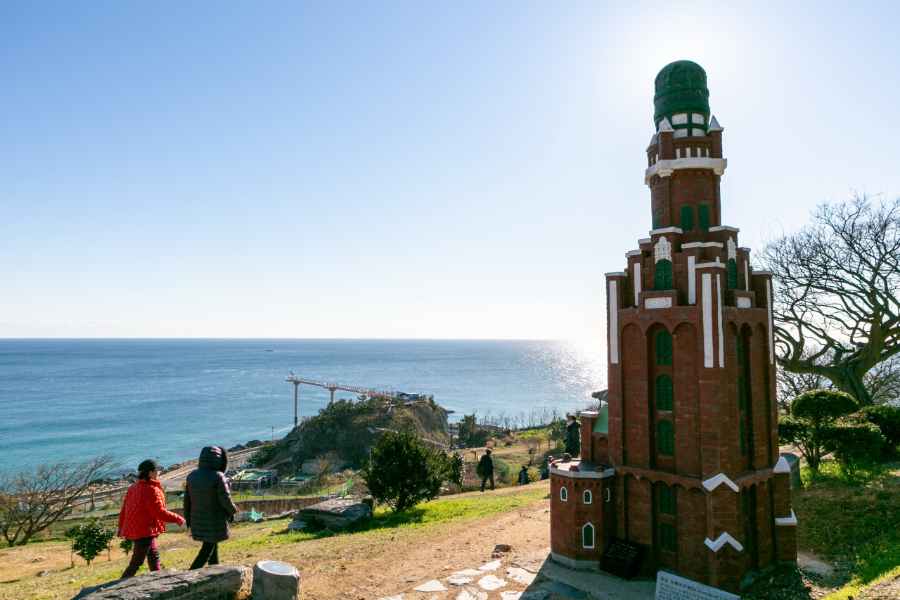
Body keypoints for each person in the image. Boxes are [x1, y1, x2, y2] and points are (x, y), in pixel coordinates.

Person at [118, 459, 185, 578]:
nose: (158, 473)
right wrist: (177, 518)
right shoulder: (151, 490)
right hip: (145, 530)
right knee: (136, 563)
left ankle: (157, 578)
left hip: (141, 530)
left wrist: (121, 527)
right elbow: (159, 512)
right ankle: (116, 589)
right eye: (156, 471)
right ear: (150, 473)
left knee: (154, 556)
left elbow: (124, 510)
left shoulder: (133, 487)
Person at [184, 446, 238, 570]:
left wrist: (188, 519)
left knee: (211, 546)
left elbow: (187, 501)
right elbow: (226, 500)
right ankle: (189, 577)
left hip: (197, 519)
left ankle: (215, 570)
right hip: (214, 519)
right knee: (207, 550)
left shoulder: (192, 476)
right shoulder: (217, 476)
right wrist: (233, 511)